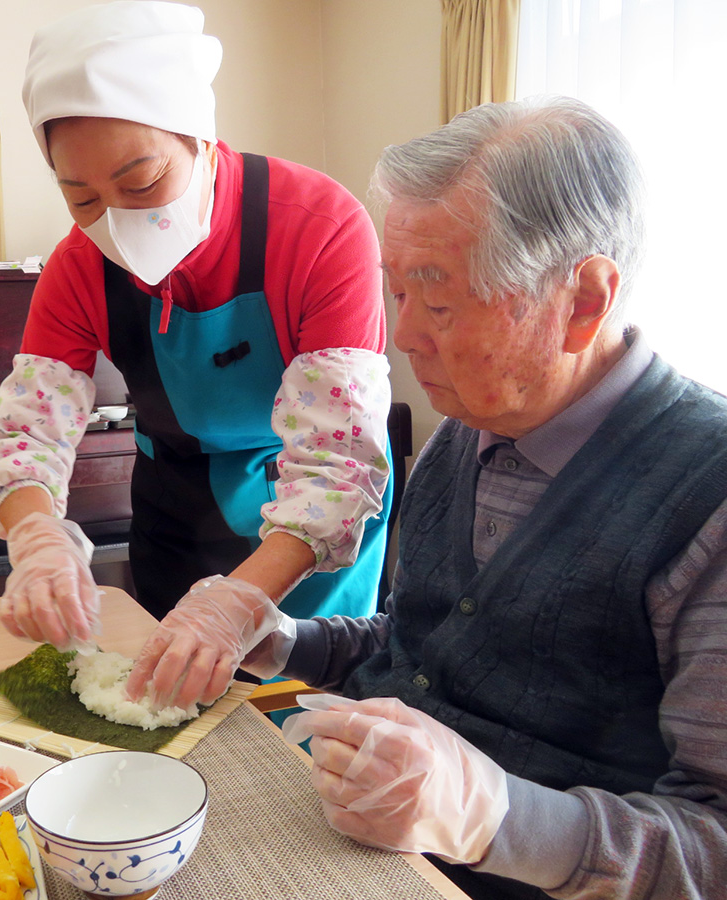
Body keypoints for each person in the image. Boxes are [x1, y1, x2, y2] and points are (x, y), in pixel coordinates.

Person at [216, 97, 727, 900]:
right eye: (398, 294)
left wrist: (491, 817)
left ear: (584, 302)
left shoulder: (708, 491)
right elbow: (419, 641)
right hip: (367, 851)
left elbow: (714, 842)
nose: (405, 335)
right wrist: (283, 640)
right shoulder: (467, 427)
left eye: (440, 301)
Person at [0, 1, 393, 672]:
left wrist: (241, 602)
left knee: (300, 718)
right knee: (174, 701)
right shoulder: (78, 266)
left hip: (310, 507)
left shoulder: (318, 226)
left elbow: (337, 461)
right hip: (178, 505)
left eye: (141, 181)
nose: (116, 220)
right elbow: (28, 435)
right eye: (82, 198)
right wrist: (36, 536)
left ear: (199, 138)